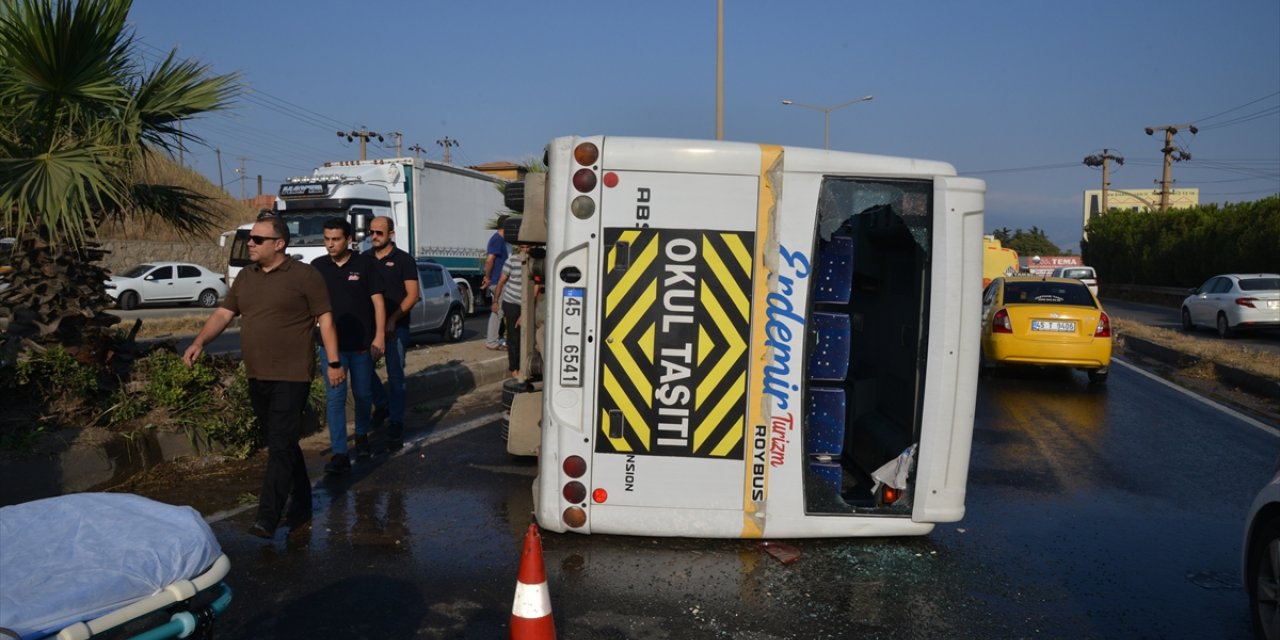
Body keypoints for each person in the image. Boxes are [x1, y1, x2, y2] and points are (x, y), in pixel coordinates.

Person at [183, 216, 341, 539]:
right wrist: (200, 341)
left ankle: (267, 517)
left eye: (257, 240)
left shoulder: (305, 276)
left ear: (279, 244)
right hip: (257, 373)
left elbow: (325, 319)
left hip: (293, 374)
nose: (250, 244)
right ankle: (303, 500)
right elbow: (223, 314)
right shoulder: (245, 278)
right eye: (250, 239)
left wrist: (334, 362)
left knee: (280, 445)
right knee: (281, 442)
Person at [312, 218, 385, 474]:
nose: (330, 245)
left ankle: (362, 434)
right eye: (327, 239)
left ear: (348, 240)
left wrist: (379, 337)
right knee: (335, 398)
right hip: (332, 348)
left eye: (336, 239)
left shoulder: (365, 264)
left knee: (363, 394)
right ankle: (340, 452)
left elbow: (378, 303)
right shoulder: (317, 267)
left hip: (362, 345)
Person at [367, 215, 419, 450]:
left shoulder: (404, 260)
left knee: (396, 376)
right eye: (371, 232)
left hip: (395, 328)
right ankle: (382, 404)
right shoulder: (364, 259)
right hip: (368, 328)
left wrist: (392, 319)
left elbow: (412, 295)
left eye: (379, 232)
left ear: (391, 234)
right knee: (362, 370)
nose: (374, 237)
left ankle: (396, 422)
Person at [492, 243, 527, 379]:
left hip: (527, 304)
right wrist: (496, 301)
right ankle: (514, 368)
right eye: (522, 247)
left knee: (528, 337)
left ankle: (526, 365)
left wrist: (525, 313)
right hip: (512, 303)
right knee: (514, 337)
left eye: (528, 247)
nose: (525, 250)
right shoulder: (511, 260)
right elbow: (501, 281)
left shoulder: (534, 261)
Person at [481, 214, 510, 350]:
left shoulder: (501, 240)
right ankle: (491, 341)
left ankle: (497, 338)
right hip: (498, 281)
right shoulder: (497, 240)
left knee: (500, 311)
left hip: (500, 280)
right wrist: (488, 278)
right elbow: (489, 260)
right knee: (497, 311)